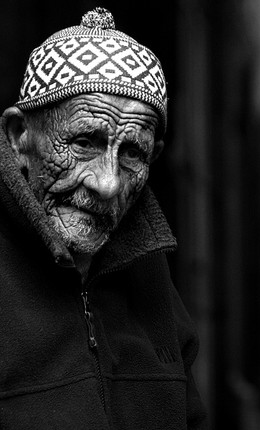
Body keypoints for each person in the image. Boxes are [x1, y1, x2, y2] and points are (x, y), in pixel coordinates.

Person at [0, 7, 206, 430]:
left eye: (132, 153)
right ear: (20, 135)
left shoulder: (150, 273)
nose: (108, 183)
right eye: (84, 142)